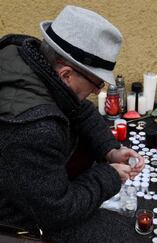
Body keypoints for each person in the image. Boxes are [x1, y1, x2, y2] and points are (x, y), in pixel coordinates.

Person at [0, 5, 146, 242]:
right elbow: (58, 211)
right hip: (16, 217)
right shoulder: (33, 128)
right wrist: (109, 176)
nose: (96, 91)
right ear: (67, 74)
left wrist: (110, 149)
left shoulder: (29, 61)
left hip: (30, 181)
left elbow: (79, 110)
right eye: (96, 83)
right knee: (125, 236)